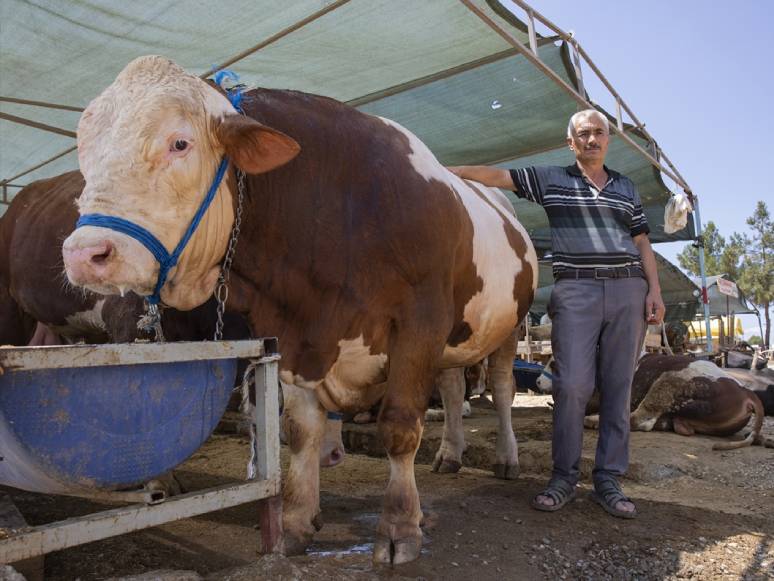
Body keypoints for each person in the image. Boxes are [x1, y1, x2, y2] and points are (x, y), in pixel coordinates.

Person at [448, 109, 664, 519]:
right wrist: (444, 170)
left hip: (627, 288)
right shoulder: (552, 179)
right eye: (583, 134)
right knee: (571, 386)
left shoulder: (627, 187)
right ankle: (563, 478)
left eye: (599, 133)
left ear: (608, 140)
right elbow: (499, 177)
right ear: (571, 143)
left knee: (619, 388)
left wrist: (653, 290)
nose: (592, 139)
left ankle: (608, 481)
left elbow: (642, 242)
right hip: (576, 290)